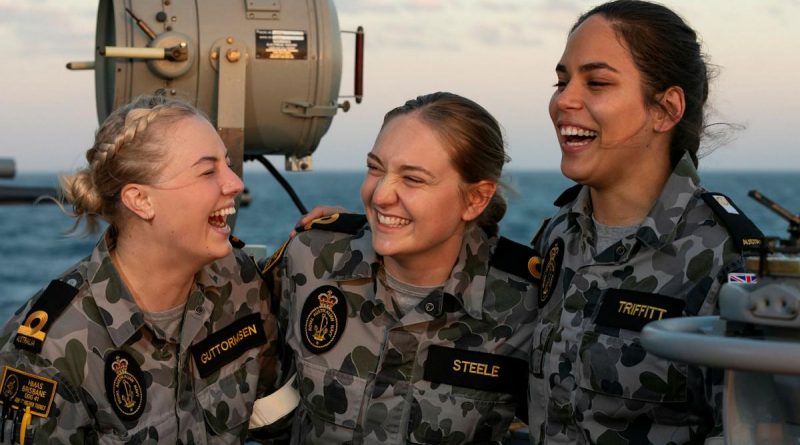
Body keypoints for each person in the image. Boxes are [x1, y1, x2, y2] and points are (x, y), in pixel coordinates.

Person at [527, 1, 763, 444]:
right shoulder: (558, 236)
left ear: (666, 109)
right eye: (561, 81)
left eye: (595, 82)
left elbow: (748, 428)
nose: (564, 100)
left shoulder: (726, 259)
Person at [0, 95, 279, 444]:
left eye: (226, 163)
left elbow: (277, 418)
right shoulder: (50, 350)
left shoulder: (240, 282)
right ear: (141, 200)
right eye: (208, 171)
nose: (235, 184)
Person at [266, 92, 540, 444]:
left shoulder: (525, 304)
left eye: (412, 179)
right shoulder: (312, 259)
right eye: (375, 168)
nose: (380, 195)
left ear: (475, 199)